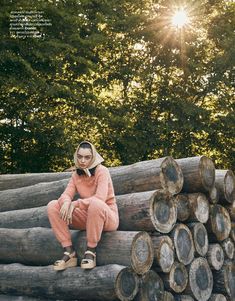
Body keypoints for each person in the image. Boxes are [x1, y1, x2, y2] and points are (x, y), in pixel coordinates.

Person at [47, 140, 119, 271]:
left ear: (93, 157)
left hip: (107, 217)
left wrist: (75, 204)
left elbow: (100, 198)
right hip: (88, 217)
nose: (82, 160)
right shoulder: (76, 174)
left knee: (96, 204)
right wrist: (67, 202)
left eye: (87, 157)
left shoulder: (102, 171)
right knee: (53, 206)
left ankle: (91, 250)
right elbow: (65, 195)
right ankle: (69, 252)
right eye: (79, 156)